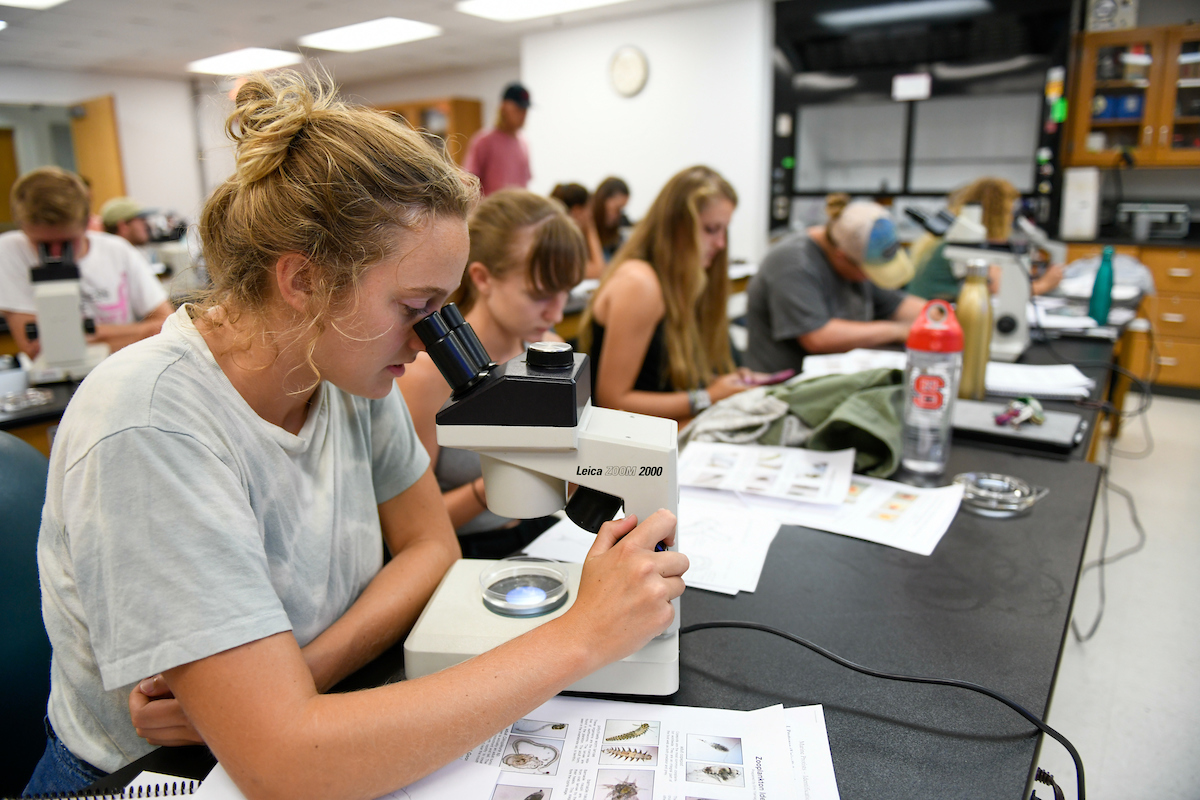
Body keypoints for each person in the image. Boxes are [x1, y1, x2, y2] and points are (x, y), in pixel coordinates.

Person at [26, 72, 686, 799]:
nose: (435, 337)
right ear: (303, 280)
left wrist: (303, 674)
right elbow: (286, 763)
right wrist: (581, 637)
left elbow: (431, 545)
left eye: (444, 308)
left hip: (294, 725)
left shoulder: (339, 365)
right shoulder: (149, 423)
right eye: (416, 304)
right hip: (141, 777)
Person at [398, 188, 586, 558]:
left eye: (566, 293)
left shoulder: (548, 347)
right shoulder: (426, 376)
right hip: (464, 549)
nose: (557, 314)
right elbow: (408, 529)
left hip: (543, 531)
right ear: (483, 278)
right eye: (539, 294)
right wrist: (498, 485)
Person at [578, 166, 770, 422]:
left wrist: (723, 384)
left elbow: (664, 378)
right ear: (677, 227)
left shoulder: (683, 279)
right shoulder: (640, 283)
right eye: (711, 229)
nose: (721, 244)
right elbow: (613, 402)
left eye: (724, 230)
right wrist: (709, 396)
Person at [0, 167, 172, 360]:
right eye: (43, 245)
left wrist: (76, 336)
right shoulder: (9, 250)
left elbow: (165, 327)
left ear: (87, 224)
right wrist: (138, 333)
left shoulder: (118, 251)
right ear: (24, 230)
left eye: (66, 243)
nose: (56, 254)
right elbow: (37, 349)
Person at [744, 195, 925, 374]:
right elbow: (817, 337)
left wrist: (941, 316)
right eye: (866, 271)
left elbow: (899, 305)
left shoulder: (856, 256)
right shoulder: (793, 262)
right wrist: (899, 331)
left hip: (836, 377)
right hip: (785, 384)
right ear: (841, 256)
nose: (868, 278)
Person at [906, 177, 1064, 300]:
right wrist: (1045, 284)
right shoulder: (963, 242)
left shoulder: (953, 236)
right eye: (1008, 213)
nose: (1010, 220)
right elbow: (999, 290)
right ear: (996, 215)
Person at [462, 82, 532, 197]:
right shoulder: (484, 140)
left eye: (525, 110)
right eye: (518, 108)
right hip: (491, 212)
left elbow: (524, 183)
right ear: (504, 107)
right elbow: (469, 182)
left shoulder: (523, 143)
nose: (523, 114)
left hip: (517, 211)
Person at [549, 182, 605, 279]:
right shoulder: (558, 242)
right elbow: (598, 271)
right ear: (577, 211)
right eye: (589, 209)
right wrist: (590, 228)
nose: (591, 215)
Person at [591, 176, 630, 263]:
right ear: (602, 200)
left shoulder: (617, 239)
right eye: (617, 208)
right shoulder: (583, 229)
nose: (619, 215)